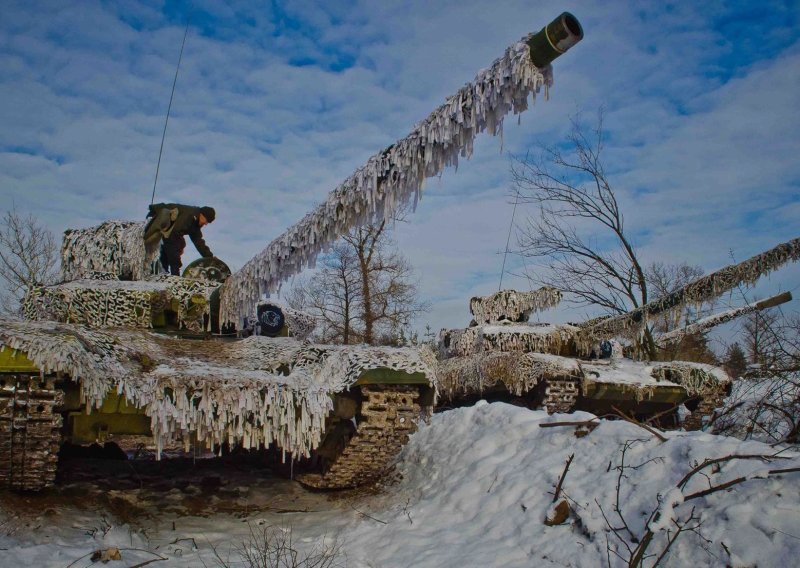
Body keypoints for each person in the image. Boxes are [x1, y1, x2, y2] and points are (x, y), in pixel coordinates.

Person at [144, 203, 216, 276]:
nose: (206, 223)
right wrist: (176, 264)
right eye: (207, 220)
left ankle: (163, 271)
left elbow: (199, 242)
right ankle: (174, 274)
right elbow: (173, 234)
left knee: (176, 245)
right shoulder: (189, 215)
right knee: (175, 246)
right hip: (157, 217)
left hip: (169, 229)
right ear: (202, 215)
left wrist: (210, 258)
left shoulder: (195, 224)